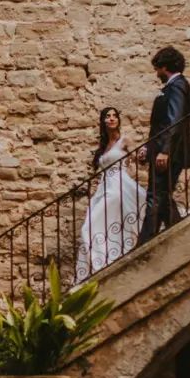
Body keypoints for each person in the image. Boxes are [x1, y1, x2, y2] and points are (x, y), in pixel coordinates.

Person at [75, 106, 144, 281]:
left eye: (115, 116)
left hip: (118, 187)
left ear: (118, 120)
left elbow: (140, 159)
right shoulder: (104, 146)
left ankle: (101, 263)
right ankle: (108, 259)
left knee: (89, 227)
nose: (112, 118)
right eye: (108, 116)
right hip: (104, 187)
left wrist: (144, 154)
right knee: (106, 224)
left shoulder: (125, 140)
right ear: (103, 121)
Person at [137, 46, 190, 243]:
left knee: (155, 196)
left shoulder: (177, 86)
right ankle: (181, 237)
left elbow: (174, 120)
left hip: (170, 153)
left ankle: (144, 244)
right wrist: (148, 147)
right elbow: (161, 125)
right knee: (161, 196)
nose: (157, 74)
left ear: (165, 67)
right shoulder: (174, 86)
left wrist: (165, 151)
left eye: (157, 69)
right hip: (164, 151)